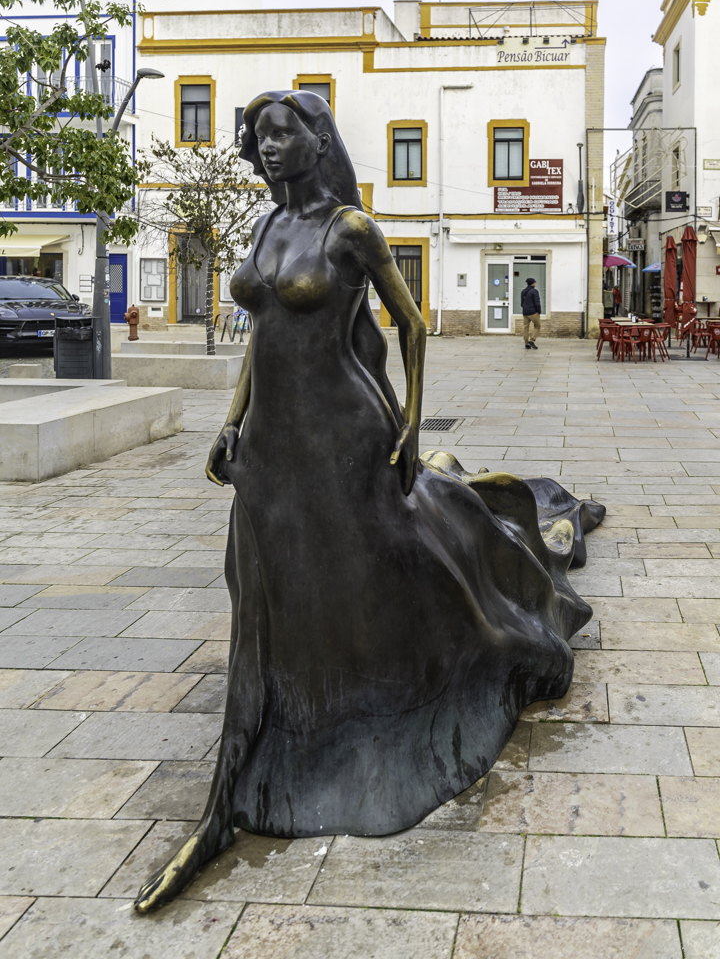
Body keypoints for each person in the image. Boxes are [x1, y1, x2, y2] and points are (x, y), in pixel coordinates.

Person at [134, 89, 604, 914]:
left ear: (318, 141)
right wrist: (230, 421)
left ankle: (370, 710)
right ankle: (234, 787)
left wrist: (413, 422)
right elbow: (260, 337)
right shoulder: (265, 227)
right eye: (259, 136)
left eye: (282, 134)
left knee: (387, 562)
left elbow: (412, 324)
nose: (267, 147)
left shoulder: (349, 229)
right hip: (270, 445)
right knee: (265, 593)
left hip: (348, 434)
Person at [521, 277, 542, 349]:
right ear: (533, 283)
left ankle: (526, 343)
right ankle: (532, 341)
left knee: (526, 328)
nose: (535, 283)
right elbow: (537, 302)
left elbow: (522, 303)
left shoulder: (523, 291)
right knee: (538, 326)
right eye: (535, 282)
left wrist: (525, 309)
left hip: (525, 313)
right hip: (533, 312)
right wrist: (539, 311)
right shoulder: (534, 291)